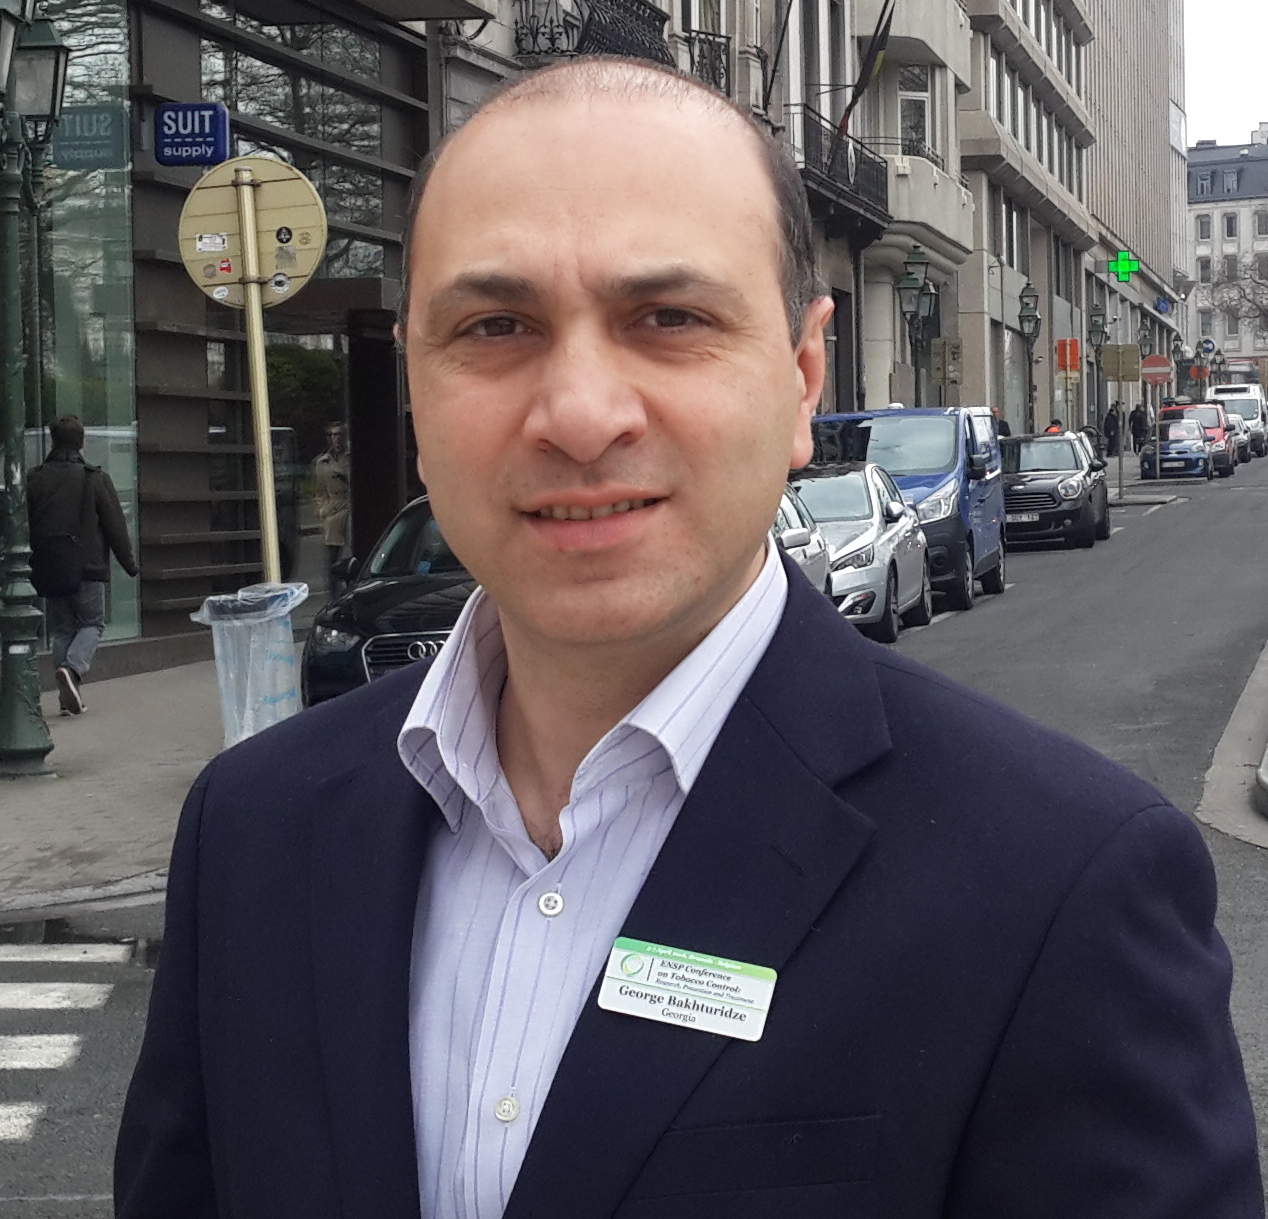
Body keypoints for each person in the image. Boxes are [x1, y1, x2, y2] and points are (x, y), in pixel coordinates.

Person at [115, 59, 1261, 1218]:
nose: (578, 415)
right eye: (495, 325)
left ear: (801, 378)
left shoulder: (1058, 881)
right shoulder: (250, 833)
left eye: (668, 319)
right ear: (416, 381)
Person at [27, 415, 138, 716]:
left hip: (51, 568)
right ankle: (73, 671)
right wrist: (129, 564)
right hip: (88, 567)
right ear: (82, 442)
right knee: (92, 624)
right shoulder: (94, 478)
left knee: (63, 629)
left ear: (52, 442)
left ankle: (67, 701)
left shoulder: (36, 478)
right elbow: (115, 526)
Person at [313, 421, 350, 599]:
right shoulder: (322, 462)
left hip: (349, 507)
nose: (336, 438)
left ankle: (351, 590)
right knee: (332, 558)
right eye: (333, 435)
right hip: (333, 510)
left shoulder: (350, 457)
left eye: (339, 434)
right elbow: (320, 491)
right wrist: (323, 509)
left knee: (353, 555)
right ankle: (333, 595)